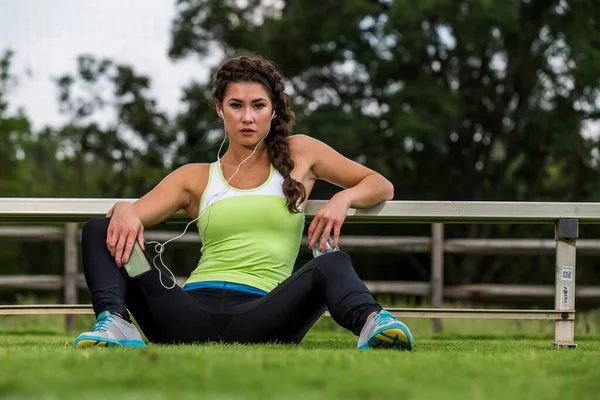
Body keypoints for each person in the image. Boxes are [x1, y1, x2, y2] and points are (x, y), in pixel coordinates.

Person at [74, 54, 413, 351]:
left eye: (258, 106)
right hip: (183, 316)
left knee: (331, 263)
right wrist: (122, 209)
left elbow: (380, 185)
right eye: (236, 106)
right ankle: (115, 321)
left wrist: (344, 197)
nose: (247, 117)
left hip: (264, 314)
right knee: (98, 231)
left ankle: (373, 323)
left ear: (273, 110)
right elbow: (124, 223)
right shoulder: (194, 177)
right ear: (221, 109)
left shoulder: (301, 154)